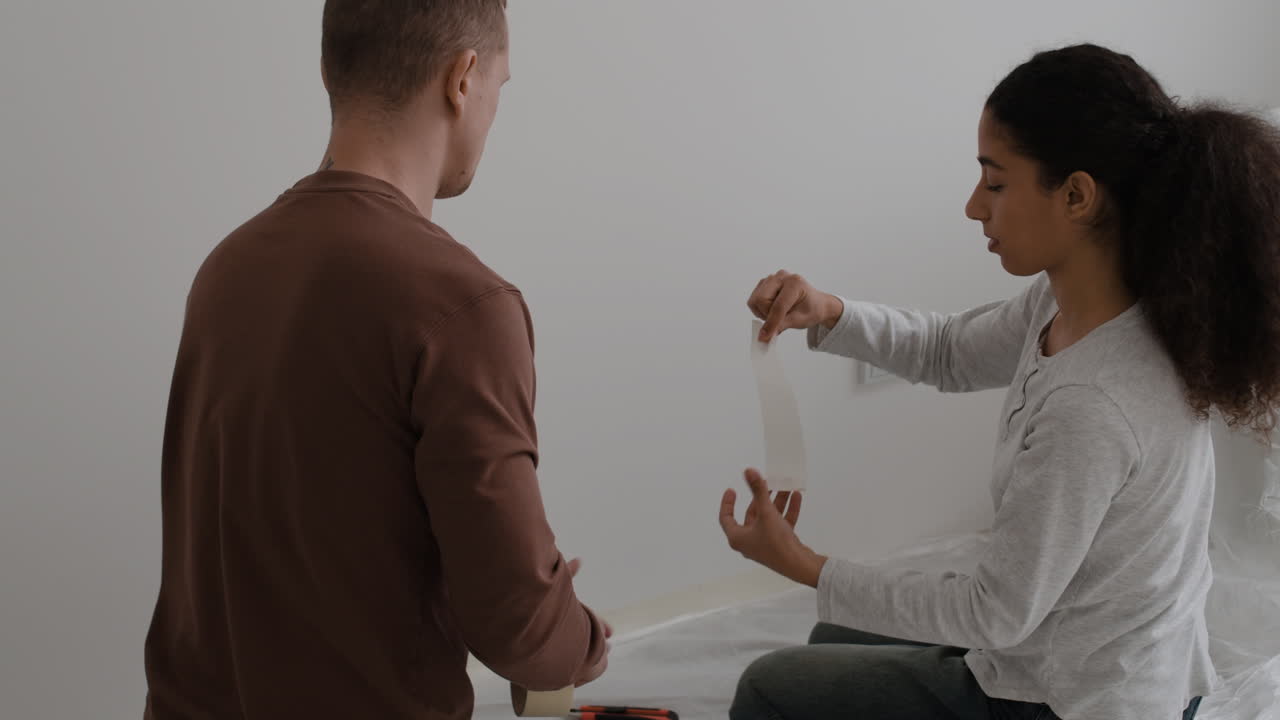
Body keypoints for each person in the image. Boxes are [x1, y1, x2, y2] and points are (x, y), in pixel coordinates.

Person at [719, 43, 1280, 720]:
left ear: (1076, 195)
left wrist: (806, 564)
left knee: (767, 687)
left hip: (1077, 702)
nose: (971, 208)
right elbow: (949, 349)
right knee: (830, 633)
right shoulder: (1080, 305)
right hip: (1069, 644)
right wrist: (828, 310)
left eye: (995, 182)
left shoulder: (1094, 403)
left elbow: (995, 614)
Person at [143, 2, 609, 718]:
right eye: (500, 86)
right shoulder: (466, 306)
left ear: (334, 68)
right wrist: (576, 638)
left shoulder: (227, 268)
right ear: (464, 78)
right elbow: (518, 624)